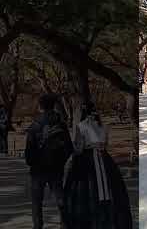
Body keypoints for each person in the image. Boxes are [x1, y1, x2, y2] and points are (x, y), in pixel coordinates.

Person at [63, 102, 132, 229]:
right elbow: (106, 144)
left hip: (87, 160)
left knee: (85, 191)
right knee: (112, 190)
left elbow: (79, 147)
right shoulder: (103, 126)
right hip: (105, 159)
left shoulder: (81, 126)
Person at [25, 94, 73, 229]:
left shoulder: (34, 125)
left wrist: (31, 162)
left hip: (37, 169)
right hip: (56, 168)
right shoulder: (61, 124)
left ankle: (38, 226)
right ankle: (65, 224)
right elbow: (69, 148)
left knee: (36, 201)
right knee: (60, 199)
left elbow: (29, 150)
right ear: (53, 106)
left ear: (40, 106)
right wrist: (61, 162)